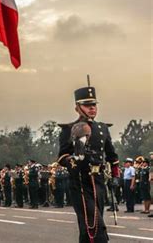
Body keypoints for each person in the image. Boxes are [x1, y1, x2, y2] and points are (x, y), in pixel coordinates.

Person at [57, 84, 120, 243]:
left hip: (98, 181)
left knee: (87, 228)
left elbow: (113, 156)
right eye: (87, 105)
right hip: (80, 182)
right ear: (77, 107)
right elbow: (61, 157)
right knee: (94, 225)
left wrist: (115, 176)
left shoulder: (103, 128)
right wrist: (75, 159)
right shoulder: (69, 129)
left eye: (94, 105)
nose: (92, 108)